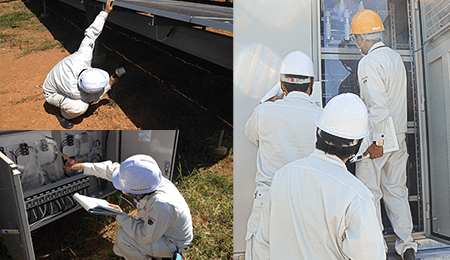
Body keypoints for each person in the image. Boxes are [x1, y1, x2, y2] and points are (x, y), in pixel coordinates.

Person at [255, 93, 385, 260]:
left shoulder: (283, 176)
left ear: (318, 132)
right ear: (358, 145)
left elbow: (263, 242)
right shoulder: (357, 196)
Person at [351, 9, 417, 260]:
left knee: (370, 193)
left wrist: (377, 141)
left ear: (362, 37)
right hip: (398, 135)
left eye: (356, 37)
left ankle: (376, 246)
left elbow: (377, 106)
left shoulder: (368, 62)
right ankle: (407, 245)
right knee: (397, 190)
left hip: (379, 138)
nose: (356, 43)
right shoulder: (395, 57)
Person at [244, 50, 323, 259]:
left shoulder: (264, 112)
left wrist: (269, 100)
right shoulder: (322, 118)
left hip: (268, 198)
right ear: (311, 83)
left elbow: (251, 135)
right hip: (308, 204)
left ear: (282, 83)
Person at [61, 153, 193, 260]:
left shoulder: (161, 204)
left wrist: (120, 215)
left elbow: (145, 237)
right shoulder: (146, 179)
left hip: (172, 242)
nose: (121, 188)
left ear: (137, 191)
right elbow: (109, 170)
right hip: (159, 230)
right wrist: (77, 165)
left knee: (122, 237)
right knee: (118, 249)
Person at [43, 0, 118, 129]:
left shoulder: (84, 55)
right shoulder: (75, 92)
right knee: (81, 107)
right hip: (52, 93)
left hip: (60, 78)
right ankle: (63, 115)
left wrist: (105, 12)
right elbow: (93, 98)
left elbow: (92, 33)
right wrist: (110, 84)